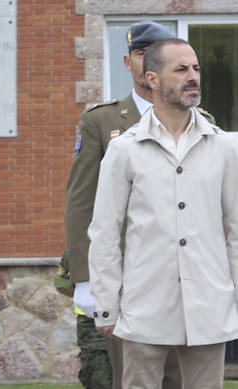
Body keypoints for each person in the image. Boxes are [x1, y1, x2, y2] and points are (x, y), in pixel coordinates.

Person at [88, 38, 238, 389]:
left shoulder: (225, 148)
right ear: (152, 78)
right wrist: (107, 304)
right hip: (144, 309)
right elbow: (105, 231)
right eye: (181, 69)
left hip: (209, 307)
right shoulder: (125, 150)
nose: (193, 77)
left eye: (196, 69)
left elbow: (235, 229)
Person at [64, 19, 180, 389]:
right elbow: (81, 201)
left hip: (180, 272)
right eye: (140, 53)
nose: (147, 62)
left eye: (155, 53)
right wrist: (84, 277)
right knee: (128, 375)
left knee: (179, 375)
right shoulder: (102, 121)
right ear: (128, 63)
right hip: (124, 273)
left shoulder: (197, 122)